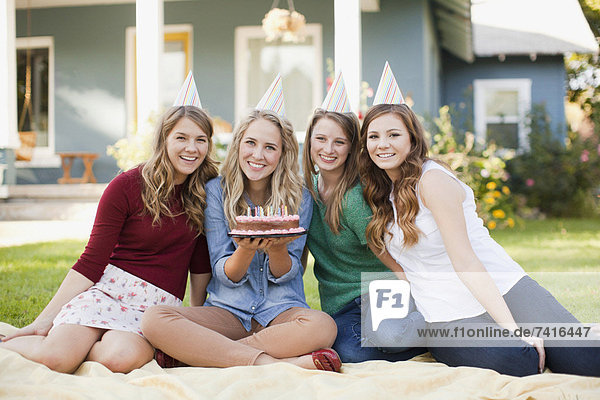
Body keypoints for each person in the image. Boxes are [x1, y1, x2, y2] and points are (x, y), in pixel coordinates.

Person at [357, 62, 600, 377]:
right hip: (447, 315)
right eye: (374, 136)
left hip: (502, 286)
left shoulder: (432, 181)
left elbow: (465, 259)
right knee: (522, 362)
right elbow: (399, 262)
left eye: (393, 134)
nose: (382, 144)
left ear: (412, 139)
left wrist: (511, 327)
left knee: (585, 360)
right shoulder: (379, 194)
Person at [0, 73, 219, 374]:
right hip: (107, 292)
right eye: (181, 137)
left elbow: (200, 266)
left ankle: (79, 348)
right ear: (164, 139)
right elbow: (91, 261)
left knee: (120, 359)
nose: (191, 148)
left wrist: (195, 319)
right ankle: (26, 343)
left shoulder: (208, 194)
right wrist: (42, 322)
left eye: (200, 140)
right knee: (57, 358)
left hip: (154, 309)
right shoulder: (126, 186)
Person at [141, 76, 341, 372]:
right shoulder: (216, 192)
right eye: (250, 143)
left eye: (270, 147)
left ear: (283, 153)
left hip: (281, 313)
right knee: (155, 319)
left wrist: (277, 249)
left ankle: (205, 356)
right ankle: (278, 363)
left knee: (323, 326)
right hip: (228, 312)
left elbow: (289, 274)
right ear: (238, 145)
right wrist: (245, 251)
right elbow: (224, 273)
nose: (258, 155)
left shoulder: (300, 197)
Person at [302, 72, 426, 363]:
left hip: (381, 293)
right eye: (320, 139)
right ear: (309, 142)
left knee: (380, 341)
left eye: (339, 142)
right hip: (342, 306)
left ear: (353, 148)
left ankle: (438, 328)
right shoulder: (305, 193)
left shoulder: (354, 199)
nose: (328, 150)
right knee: (348, 351)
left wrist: (423, 295)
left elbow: (390, 258)